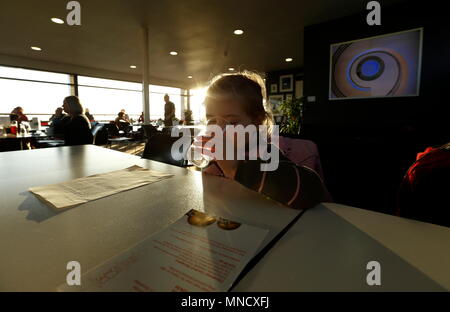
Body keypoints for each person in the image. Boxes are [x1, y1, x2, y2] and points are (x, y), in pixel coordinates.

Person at [197, 71, 327, 211]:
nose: (217, 130)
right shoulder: (215, 158)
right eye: (211, 120)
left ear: (257, 121)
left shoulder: (266, 152)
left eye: (231, 122)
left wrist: (236, 168)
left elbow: (312, 192)